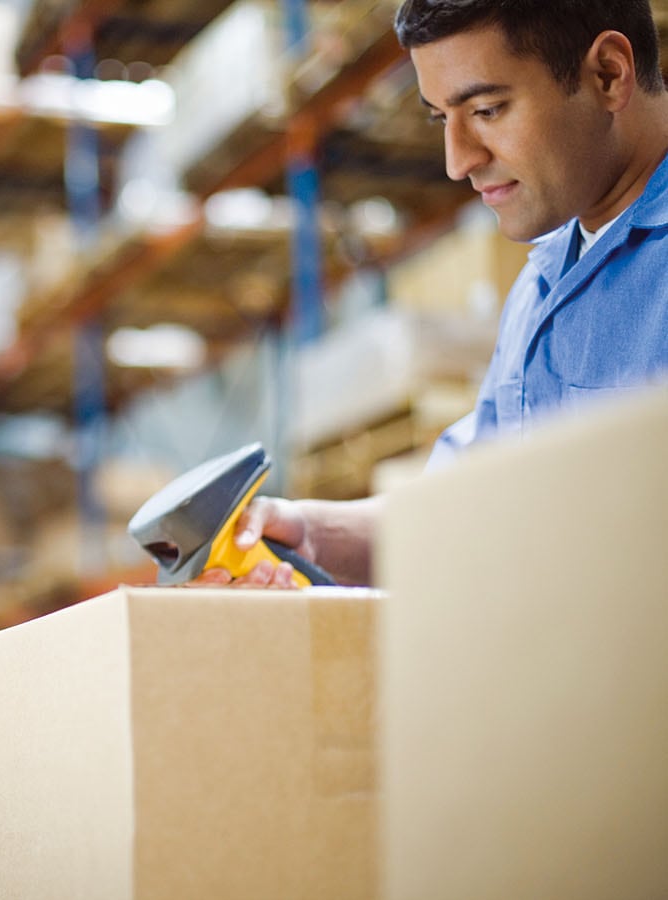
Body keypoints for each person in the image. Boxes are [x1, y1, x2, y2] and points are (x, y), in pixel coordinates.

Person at [202, 0, 668, 588]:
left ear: (608, 74)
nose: (458, 160)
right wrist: (309, 534)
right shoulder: (542, 285)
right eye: (439, 118)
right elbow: (475, 502)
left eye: (488, 109)